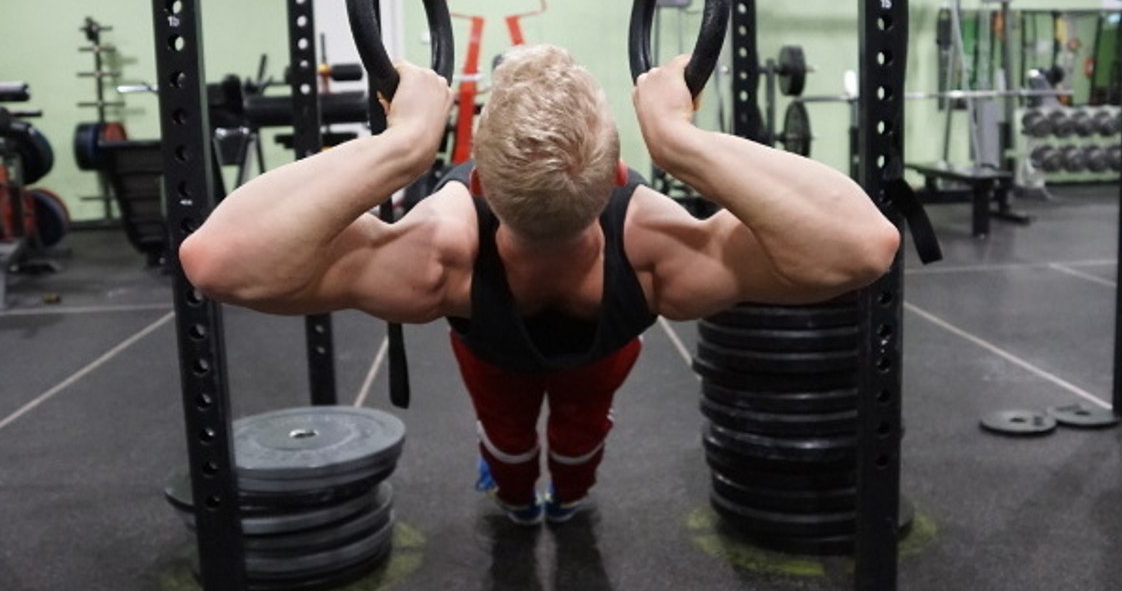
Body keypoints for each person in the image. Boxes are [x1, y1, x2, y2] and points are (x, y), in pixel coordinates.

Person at [181, 44, 899, 525]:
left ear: (481, 176)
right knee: (582, 429)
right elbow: (863, 248)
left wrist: (399, 147)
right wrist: (684, 142)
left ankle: (521, 502)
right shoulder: (658, 246)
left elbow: (216, 261)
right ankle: (567, 497)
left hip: (489, 350)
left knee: (505, 431)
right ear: (616, 169)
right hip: (604, 348)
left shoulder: (440, 251)